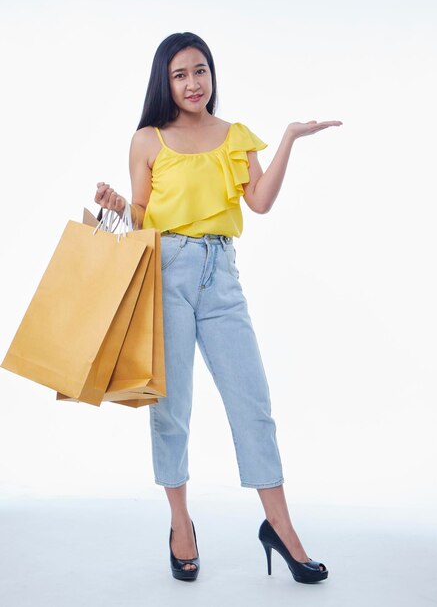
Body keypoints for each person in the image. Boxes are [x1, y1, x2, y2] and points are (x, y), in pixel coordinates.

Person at [94, 31, 342, 583]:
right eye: (180, 74)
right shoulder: (148, 140)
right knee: (172, 407)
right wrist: (117, 205)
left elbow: (260, 203)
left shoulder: (235, 136)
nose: (192, 83)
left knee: (252, 402)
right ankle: (181, 525)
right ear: (165, 80)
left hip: (220, 275)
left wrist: (289, 140)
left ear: (212, 74)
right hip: (166, 272)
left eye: (200, 71)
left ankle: (281, 528)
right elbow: (140, 216)